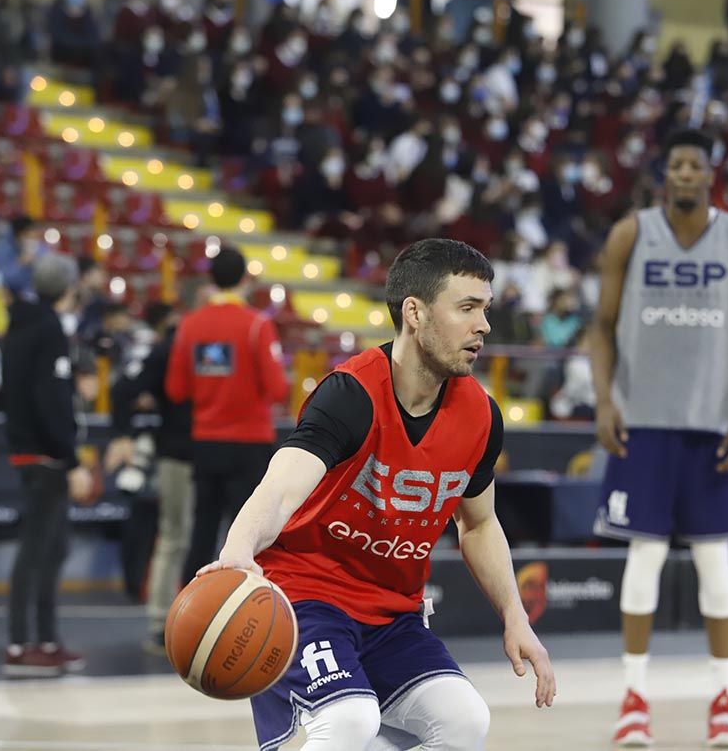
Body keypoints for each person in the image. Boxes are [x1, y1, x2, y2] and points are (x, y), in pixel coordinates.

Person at [197, 238, 556, 751]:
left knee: (465, 722)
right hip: (307, 598)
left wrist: (515, 617)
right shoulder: (349, 394)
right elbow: (280, 488)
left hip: (392, 614)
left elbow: (477, 524)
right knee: (348, 721)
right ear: (415, 312)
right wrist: (237, 551)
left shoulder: (481, 415)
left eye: (486, 309)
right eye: (467, 308)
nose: (484, 325)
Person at [588, 129, 728, 748]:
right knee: (644, 558)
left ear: (710, 173)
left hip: (712, 424)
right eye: (677, 165)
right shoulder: (631, 234)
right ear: (665, 173)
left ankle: (725, 698)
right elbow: (602, 326)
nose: (686, 173)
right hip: (644, 422)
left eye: (697, 164)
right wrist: (605, 399)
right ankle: (633, 698)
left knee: (717, 563)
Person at [166, 245, 290, 585]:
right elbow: (278, 389)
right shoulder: (257, 325)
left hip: (206, 443)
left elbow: (177, 390)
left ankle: (188, 619)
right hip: (249, 444)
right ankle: (253, 618)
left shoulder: (190, 326)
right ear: (245, 279)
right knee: (252, 540)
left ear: (211, 279)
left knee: (202, 534)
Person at [0, 253, 95, 677]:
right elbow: (51, 399)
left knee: (52, 548)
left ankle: (45, 640)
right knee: (37, 550)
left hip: (27, 447)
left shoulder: (18, 324)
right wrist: (70, 456)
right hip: (46, 454)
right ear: (69, 288)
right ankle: (22, 645)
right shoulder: (49, 328)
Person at [106, 301, 194, 653]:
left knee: (189, 538)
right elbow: (121, 391)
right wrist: (123, 434)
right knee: (176, 536)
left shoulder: (187, 343)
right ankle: (162, 621)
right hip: (180, 452)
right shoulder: (169, 348)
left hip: (206, 452)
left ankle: (190, 621)